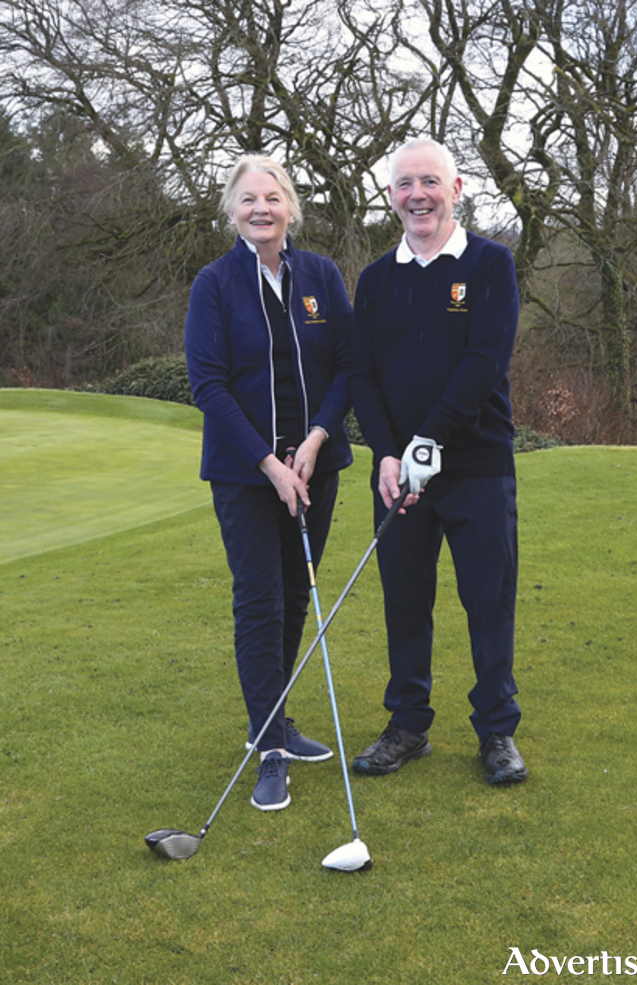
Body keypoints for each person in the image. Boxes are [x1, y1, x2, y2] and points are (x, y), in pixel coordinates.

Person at [350, 137, 527, 785]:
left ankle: (497, 730)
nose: (417, 194)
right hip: (399, 474)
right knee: (405, 600)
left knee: (487, 600)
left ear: (455, 189)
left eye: (429, 182)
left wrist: (429, 440)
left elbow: (484, 362)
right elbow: (362, 374)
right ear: (391, 196)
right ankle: (408, 725)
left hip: (478, 465)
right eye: (405, 184)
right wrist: (387, 452)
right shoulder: (375, 279)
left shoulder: (490, 264)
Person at [185, 155, 353, 811]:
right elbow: (209, 385)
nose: (261, 208)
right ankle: (271, 751)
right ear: (232, 210)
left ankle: (273, 721)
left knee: (293, 596)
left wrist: (316, 439)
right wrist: (269, 463)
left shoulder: (321, 276)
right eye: (249, 198)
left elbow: (348, 365)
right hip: (245, 474)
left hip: (316, 466)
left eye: (273, 197)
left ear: (290, 208)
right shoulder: (215, 283)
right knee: (260, 602)